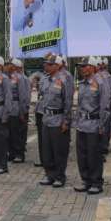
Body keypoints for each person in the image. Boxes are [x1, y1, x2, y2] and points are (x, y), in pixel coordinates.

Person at [74, 56, 111, 194]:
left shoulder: (100, 82)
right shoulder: (82, 83)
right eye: (81, 66)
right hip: (82, 124)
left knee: (94, 155)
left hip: (94, 124)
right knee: (82, 155)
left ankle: (96, 182)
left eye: (85, 66)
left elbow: (105, 106)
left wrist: (102, 125)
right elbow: (79, 105)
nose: (82, 69)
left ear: (93, 67)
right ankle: (86, 180)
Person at [38, 54, 73, 187]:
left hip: (58, 119)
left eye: (50, 64)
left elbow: (68, 101)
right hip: (46, 118)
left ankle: (59, 176)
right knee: (47, 150)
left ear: (57, 66)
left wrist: (66, 121)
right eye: (46, 64)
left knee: (59, 150)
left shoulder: (64, 80)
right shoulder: (46, 79)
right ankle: (49, 175)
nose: (47, 66)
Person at [7, 58, 31, 163]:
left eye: (10, 65)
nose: (8, 66)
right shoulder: (9, 77)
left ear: (16, 67)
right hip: (10, 109)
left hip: (18, 109)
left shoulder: (22, 78)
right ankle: (12, 153)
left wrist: (23, 111)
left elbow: (24, 96)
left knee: (19, 133)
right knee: (11, 132)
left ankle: (19, 154)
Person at [32, 56, 52, 168]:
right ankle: (43, 158)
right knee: (41, 137)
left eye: (47, 63)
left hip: (49, 112)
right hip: (40, 110)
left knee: (49, 138)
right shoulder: (43, 77)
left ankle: (49, 160)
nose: (45, 65)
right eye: (45, 63)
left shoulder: (57, 78)